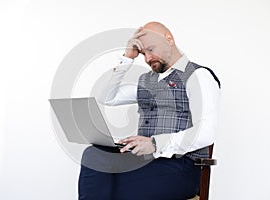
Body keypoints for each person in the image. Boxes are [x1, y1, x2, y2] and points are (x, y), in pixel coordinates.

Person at [78, 22, 221, 200]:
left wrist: (155, 143)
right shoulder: (146, 80)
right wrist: (128, 57)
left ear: (169, 39)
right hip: (142, 162)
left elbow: (206, 132)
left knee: (108, 186)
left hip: (180, 166)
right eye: (143, 53)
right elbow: (106, 96)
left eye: (151, 49)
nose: (147, 59)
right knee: (93, 155)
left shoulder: (198, 76)